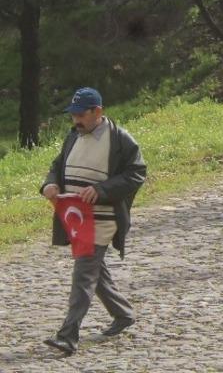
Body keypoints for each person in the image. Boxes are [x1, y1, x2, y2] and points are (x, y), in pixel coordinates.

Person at [41, 88, 146, 356]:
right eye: (73, 115)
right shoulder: (73, 135)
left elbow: (136, 174)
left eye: (80, 115)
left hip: (102, 219)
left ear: (97, 112)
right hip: (76, 218)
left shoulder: (120, 139)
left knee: (83, 274)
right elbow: (57, 164)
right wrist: (50, 183)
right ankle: (123, 314)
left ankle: (68, 336)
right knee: (94, 272)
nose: (75, 120)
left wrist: (102, 190)